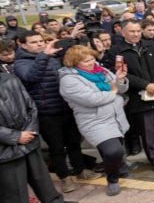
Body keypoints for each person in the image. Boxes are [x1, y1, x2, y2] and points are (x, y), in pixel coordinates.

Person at [15, 31, 103, 192]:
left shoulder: (53, 58)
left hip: (65, 108)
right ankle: (64, 177)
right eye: (34, 42)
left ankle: (80, 170)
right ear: (23, 45)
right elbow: (30, 77)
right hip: (46, 112)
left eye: (41, 41)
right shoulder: (21, 63)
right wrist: (44, 56)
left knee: (74, 143)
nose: (40, 44)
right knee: (56, 147)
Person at [0, 72, 79, 203]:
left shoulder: (10, 79)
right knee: (13, 188)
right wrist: (15, 136)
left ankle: (52, 201)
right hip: (6, 147)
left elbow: (31, 106)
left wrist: (28, 131)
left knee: (40, 176)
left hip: (28, 137)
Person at [58, 46, 130, 196]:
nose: (92, 62)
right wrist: (113, 91)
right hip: (95, 121)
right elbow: (92, 99)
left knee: (115, 149)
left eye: (92, 58)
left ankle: (119, 168)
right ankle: (112, 179)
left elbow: (121, 89)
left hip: (115, 116)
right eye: (86, 61)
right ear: (74, 62)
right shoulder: (69, 80)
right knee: (114, 150)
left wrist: (120, 79)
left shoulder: (101, 71)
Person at [112, 19, 154, 171]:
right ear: (123, 32)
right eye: (132, 31)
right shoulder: (117, 52)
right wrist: (145, 85)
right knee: (147, 133)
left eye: (138, 31)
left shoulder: (151, 45)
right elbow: (122, 75)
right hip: (139, 98)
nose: (135, 34)